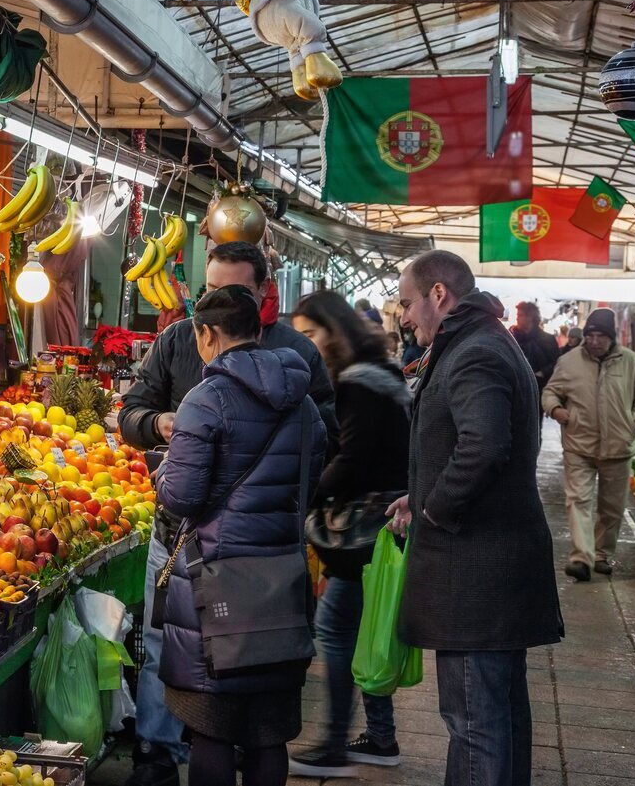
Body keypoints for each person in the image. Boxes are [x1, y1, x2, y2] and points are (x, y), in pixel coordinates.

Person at [117, 241, 335, 786]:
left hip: (207, 560)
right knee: (266, 722)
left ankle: (171, 755)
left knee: (210, 716)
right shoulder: (298, 387)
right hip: (276, 561)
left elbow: (182, 496)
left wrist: (163, 465)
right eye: (212, 288)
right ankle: (156, 754)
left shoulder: (209, 396)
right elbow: (317, 460)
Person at [388, 250, 561, 786]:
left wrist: (435, 509)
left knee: (473, 721)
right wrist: (419, 496)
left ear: (439, 295)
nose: (403, 315)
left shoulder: (474, 351)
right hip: (494, 564)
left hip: (475, 570)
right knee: (500, 713)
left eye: (407, 302)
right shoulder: (482, 340)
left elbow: (484, 445)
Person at [288, 291, 409, 778]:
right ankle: (379, 736)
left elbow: (353, 459)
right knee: (365, 630)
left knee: (336, 631)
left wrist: (305, 497)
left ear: (333, 332)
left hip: (364, 530)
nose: (305, 345)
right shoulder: (386, 372)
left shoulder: (357, 382)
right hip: (387, 523)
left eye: (309, 335)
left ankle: (335, 744)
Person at [543, 309, 635, 581]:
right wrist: (555, 409)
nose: (593, 341)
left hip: (618, 446)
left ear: (611, 337)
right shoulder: (569, 362)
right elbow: (550, 391)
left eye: (600, 336)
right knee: (577, 500)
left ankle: (602, 554)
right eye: (589, 335)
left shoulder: (631, 362)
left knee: (611, 507)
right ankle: (581, 558)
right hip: (579, 444)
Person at [511, 301, 560, 392]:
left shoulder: (547, 339)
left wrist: (543, 372)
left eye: (520, 315)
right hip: (517, 388)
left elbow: (557, 362)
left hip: (540, 388)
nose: (517, 318)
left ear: (530, 317)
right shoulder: (513, 338)